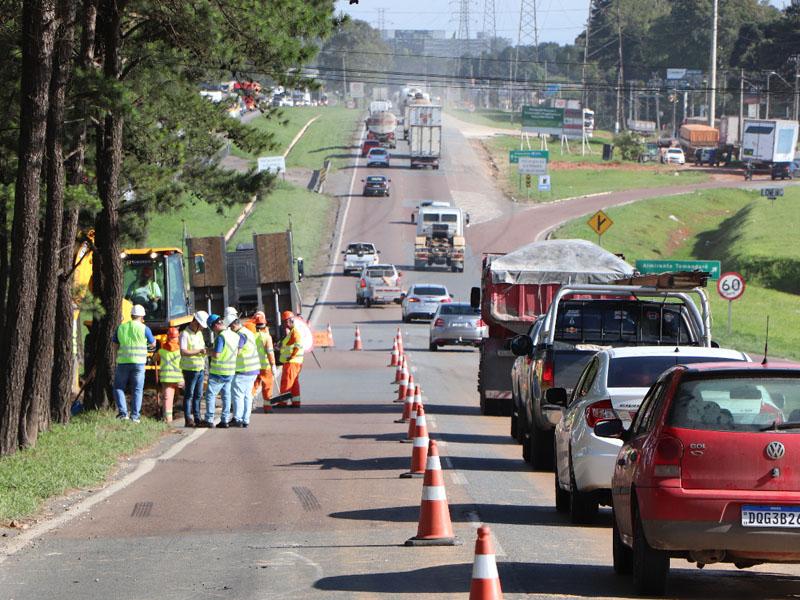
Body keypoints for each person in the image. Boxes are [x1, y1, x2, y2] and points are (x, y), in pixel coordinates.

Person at [112, 304, 155, 423]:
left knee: (119, 387)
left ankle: (123, 414)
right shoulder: (144, 328)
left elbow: (115, 344)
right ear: (142, 317)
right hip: (139, 363)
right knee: (137, 389)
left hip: (123, 363)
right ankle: (135, 417)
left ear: (131, 315)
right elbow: (152, 344)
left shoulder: (121, 327)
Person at [199, 313, 242, 428]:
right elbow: (235, 351)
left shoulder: (221, 337)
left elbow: (217, 354)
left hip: (218, 372)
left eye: (212, 329)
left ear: (215, 325)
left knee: (210, 395)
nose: (213, 331)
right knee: (226, 396)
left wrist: (207, 352)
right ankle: (225, 420)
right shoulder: (234, 335)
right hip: (230, 371)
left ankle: (209, 419)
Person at [229, 318, 261, 427]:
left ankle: (237, 418)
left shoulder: (240, 335)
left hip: (243, 369)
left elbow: (238, 351)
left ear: (234, 324)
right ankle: (246, 419)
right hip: (253, 369)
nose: (230, 329)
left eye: (230, 326)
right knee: (247, 395)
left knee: (238, 395)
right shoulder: (248, 332)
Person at [180, 310, 208, 427]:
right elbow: (183, 351)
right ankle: (188, 418)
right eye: (201, 326)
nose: (202, 328)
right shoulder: (185, 334)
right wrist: (199, 351)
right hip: (190, 370)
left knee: (198, 395)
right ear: (195, 322)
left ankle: (197, 418)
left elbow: (202, 348)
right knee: (189, 395)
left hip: (200, 368)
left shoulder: (199, 334)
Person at [250, 311, 278, 412]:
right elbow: (270, 352)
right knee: (267, 387)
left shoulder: (252, 336)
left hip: (254, 366)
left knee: (253, 386)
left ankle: (249, 405)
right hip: (265, 366)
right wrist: (273, 365)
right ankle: (267, 407)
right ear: (265, 324)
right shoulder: (267, 337)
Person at [277, 310, 304, 408]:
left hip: (292, 361)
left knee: (287, 382)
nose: (284, 324)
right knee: (294, 382)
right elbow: (289, 344)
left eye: (285, 322)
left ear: (290, 321)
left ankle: (282, 403)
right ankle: (296, 402)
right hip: (296, 361)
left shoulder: (295, 332)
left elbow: (297, 345)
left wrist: (292, 356)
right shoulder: (292, 332)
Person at [156, 327, 182, 424]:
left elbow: (154, 359)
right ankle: (187, 414)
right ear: (177, 337)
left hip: (166, 378)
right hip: (179, 378)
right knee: (186, 396)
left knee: (167, 398)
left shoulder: (161, 351)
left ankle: (168, 420)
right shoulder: (181, 351)